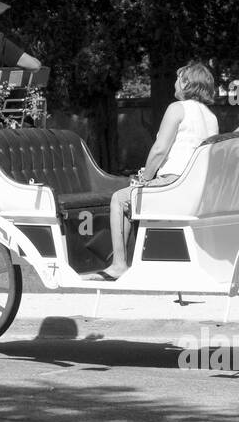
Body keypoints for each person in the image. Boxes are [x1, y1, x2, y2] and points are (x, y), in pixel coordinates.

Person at [84, 62, 219, 281]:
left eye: (178, 79)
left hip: (173, 184)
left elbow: (159, 150)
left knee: (119, 199)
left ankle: (118, 265)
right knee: (130, 196)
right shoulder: (211, 117)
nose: (175, 83)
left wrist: (144, 179)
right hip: (196, 188)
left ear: (186, 82)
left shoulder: (178, 108)